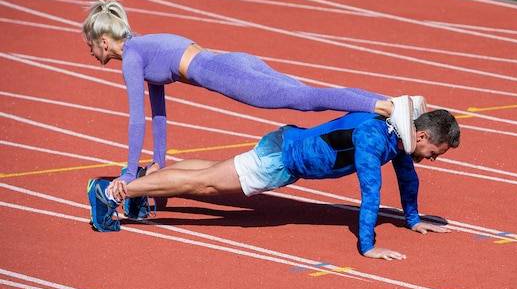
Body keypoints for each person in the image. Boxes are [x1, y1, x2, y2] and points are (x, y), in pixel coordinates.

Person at [82, 0, 417, 188]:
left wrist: (128, 172)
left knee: (307, 99)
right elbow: (158, 113)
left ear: (104, 41)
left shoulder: (131, 56)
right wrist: (157, 161)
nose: (92, 53)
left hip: (228, 74)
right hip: (234, 64)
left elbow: (135, 120)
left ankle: (387, 105)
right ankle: (392, 103)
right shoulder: (143, 47)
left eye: (91, 46)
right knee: (307, 94)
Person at [89, 105, 461, 260]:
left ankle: (149, 178)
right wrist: (367, 246)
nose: (431, 160)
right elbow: (371, 191)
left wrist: (412, 219)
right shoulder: (374, 138)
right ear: (424, 135)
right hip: (281, 160)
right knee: (205, 186)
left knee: (213, 170)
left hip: (285, 145)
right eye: (435, 153)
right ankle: (113, 192)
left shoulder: (395, 134)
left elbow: (407, 175)